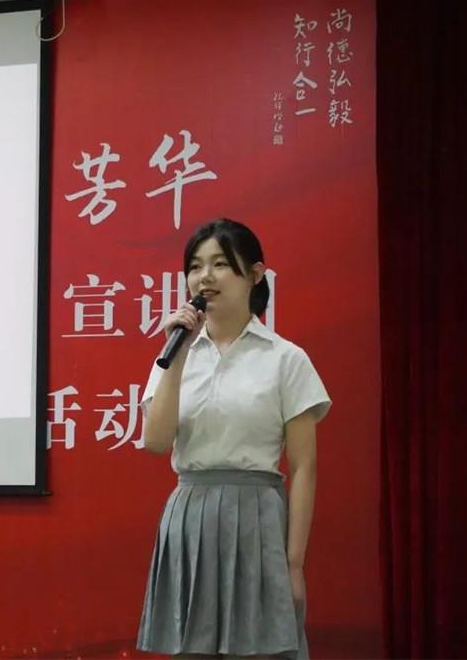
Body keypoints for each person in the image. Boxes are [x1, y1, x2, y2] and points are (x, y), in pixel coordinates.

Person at [137, 218, 330, 659]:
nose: (204, 276)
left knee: (262, 648)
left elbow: (304, 468)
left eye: (220, 264)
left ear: (256, 274)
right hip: (190, 516)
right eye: (195, 266)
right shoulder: (175, 354)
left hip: (258, 517)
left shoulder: (285, 358)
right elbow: (156, 441)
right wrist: (176, 356)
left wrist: (294, 563)